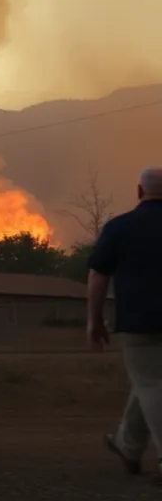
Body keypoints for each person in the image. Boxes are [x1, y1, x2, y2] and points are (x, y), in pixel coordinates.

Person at [88, 166, 162, 484]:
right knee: (149, 384)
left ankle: (135, 448)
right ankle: (127, 445)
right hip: (142, 324)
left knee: (150, 384)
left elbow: (98, 275)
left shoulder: (120, 227)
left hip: (138, 323)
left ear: (139, 192)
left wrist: (94, 320)